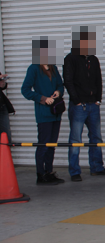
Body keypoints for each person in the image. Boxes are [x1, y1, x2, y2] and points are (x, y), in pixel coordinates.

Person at [63, 28, 105, 182]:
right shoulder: (70, 58)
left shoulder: (94, 59)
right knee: (75, 139)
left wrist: (98, 99)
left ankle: (97, 168)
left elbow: (99, 80)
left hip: (93, 105)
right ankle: (74, 171)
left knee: (96, 137)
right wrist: (77, 100)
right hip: (79, 105)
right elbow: (68, 80)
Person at [21, 50, 65, 185]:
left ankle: (49, 172)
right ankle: (41, 174)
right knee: (43, 144)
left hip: (55, 113)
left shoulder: (53, 68)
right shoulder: (34, 68)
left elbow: (60, 84)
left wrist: (58, 91)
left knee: (52, 144)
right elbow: (25, 90)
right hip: (44, 113)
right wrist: (43, 99)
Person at [0, 72, 14, 141]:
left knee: (5, 136)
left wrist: (2, 83)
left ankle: (4, 150)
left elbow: (3, 87)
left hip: (2, 106)